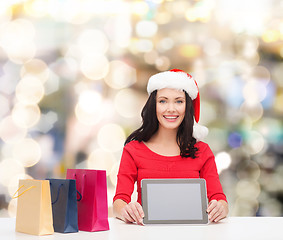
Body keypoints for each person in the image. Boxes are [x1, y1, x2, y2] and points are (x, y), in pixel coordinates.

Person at [113, 69, 228, 225]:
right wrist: (126, 211)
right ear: (153, 105)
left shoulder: (203, 151)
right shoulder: (133, 150)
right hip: (147, 234)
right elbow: (119, 201)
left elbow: (220, 199)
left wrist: (220, 208)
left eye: (179, 101)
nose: (171, 109)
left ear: (187, 107)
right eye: (163, 101)